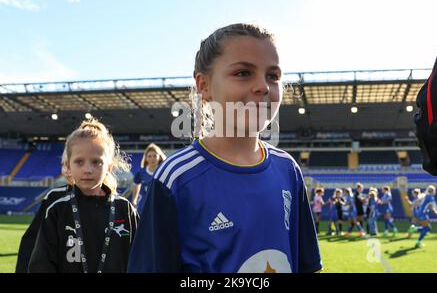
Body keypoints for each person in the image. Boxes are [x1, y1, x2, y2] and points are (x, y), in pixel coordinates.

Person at [128, 23, 322, 273]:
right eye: (243, 73)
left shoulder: (288, 170)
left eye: (272, 76)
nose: (263, 86)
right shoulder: (175, 178)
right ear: (204, 85)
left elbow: (308, 266)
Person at [27, 118, 138, 272]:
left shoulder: (124, 209)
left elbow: (141, 260)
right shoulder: (58, 209)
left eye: (96, 162)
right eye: (79, 161)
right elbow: (41, 265)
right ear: (68, 166)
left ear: (109, 167)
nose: (88, 169)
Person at [131, 143, 166, 213]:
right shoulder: (141, 172)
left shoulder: (164, 171)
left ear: (159, 157)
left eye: (154, 156)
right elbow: (136, 184)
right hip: (144, 207)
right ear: (146, 158)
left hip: (160, 206)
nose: (152, 159)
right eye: (149, 156)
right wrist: (134, 200)